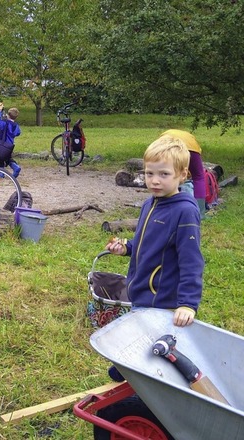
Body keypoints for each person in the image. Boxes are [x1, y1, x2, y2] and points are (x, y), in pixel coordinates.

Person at [105, 135, 203, 382]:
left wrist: (187, 304)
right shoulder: (151, 204)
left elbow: (192, 261)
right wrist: (126, 247)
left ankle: (140, 376)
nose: (155, 181)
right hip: (140, 292)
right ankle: (132, 371)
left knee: (152, 343)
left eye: (163, 174)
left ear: (182, 175)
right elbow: (145, 243)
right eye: (149, 174)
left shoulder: (185, 210)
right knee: (137, 334)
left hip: (161, 299)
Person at [159, 129, 207, 218]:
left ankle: (163, 206)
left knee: (165, 174)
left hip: (167, 147)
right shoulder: (192, 140)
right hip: (192, 148)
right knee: (199, 177)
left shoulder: (162, 136)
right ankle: (200, 212)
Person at [0, 102, 22, 177]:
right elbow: (18, 133)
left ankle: (0, 173)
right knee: (7, 157)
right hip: (10, 145)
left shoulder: (5, 124)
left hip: (2, 144)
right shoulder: (16, 125)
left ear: (7, 115)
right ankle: (15, 167)